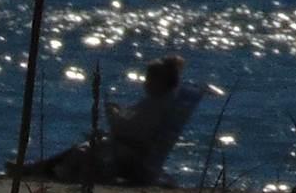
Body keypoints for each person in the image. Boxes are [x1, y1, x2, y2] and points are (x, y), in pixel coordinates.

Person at [14, 55, 204, 186]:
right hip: (133, 150)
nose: (145, 84)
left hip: (133, 157)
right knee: (83, 146)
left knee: (82, 150)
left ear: (160, 82)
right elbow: (136, 124)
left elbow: (130, 129)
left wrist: (112, 114)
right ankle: (37, 169)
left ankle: (38, 170)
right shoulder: (161, 102)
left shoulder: (157, 105)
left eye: (149, 80)